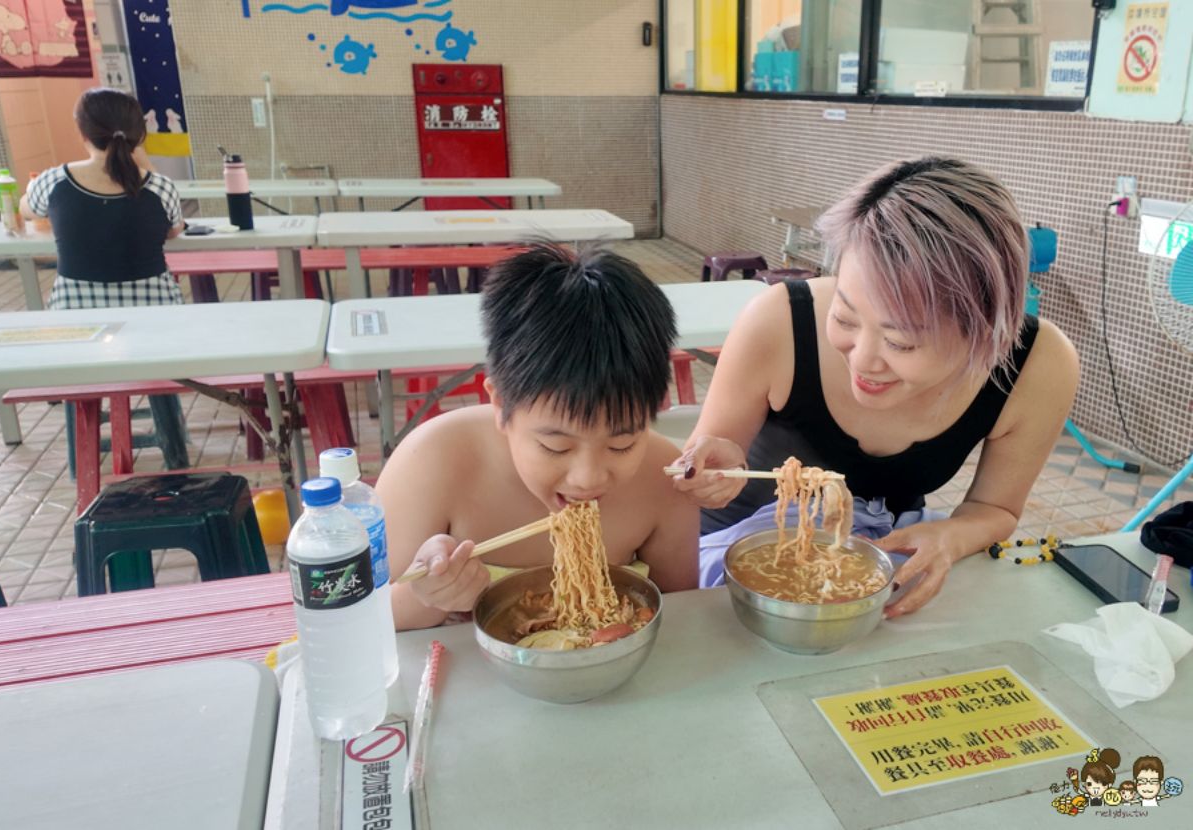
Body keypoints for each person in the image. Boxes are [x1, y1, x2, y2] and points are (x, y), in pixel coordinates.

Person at [673, 156, 1079, 618]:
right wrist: (710, 469)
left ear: (986, 331)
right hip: (733, 568)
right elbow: (712, 451)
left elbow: (995, 508)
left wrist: (949, 536)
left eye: (900, 341)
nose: (863, 359)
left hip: (877, 571)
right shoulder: (779, 322)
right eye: (845, 316)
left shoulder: (1037, 366)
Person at [376, 243, 699, 630]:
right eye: (555, 446)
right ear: (499, 404)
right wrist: (425, 596)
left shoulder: (664, 483)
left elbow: (680, 614)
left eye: (621, 444)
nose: (588, 477)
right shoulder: (430, 463)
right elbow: (358, 624)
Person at [20, 87, 189, 470]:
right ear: (138, 135)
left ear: (82, 131)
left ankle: (84, 461)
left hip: (78, 336)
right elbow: (173, 229)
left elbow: (28, 209)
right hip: (160, 334)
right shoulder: (159, 186)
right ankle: (175, 450)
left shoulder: (54, 181)